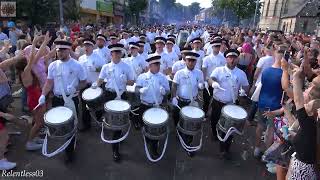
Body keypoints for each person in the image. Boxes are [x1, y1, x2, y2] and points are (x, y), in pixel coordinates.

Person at [38, 40, 87, 163]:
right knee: (60, 125)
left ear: (68, 50)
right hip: (57, 99)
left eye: (63, 50)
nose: (60, 53)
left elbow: (83, 82)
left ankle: (69, 152)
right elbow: (49, 82)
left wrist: (75, 88)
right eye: (58, 50)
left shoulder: (77, 65)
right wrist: (43, 94)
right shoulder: (53, 65)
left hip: (71, 98)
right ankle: (68, 142)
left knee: (70, 124)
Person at [92, 43, 134, 162]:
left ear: (121, 54)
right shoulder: (106, 67)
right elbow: (100, 79)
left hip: (121, 94)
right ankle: (117, 136)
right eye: (114, 52)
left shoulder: (126, 66)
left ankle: (115, 148)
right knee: (111, 118)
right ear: (110, 54)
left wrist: (126, 81)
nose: (116, 54)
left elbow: (132, 81)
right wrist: (96, 84)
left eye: (118, 52)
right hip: (109, 94)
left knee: (118, 121)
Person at [208, 49, 249, 159]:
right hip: (218, 101)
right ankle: (214, 132)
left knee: (228, 127)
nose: (232, 60)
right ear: (226, 59)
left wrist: (244, 92)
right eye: (230, 57)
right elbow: (211, 79)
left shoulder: (241, 73)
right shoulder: (219, 70)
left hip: (231, 104)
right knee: (214, 120)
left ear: (237, 60)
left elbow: (246, 85)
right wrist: (214, 83)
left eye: (234, 58)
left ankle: (224, 148)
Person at [16, 32, 51, 151]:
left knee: (38, 120)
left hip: (36, 95)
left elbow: (35, 57)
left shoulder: (25, 70)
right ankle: (29, 142)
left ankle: (34, 138)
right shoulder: (25, 72)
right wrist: (34, 42)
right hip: (34, 98)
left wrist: (45, 42)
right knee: (39, 123)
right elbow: (32, 58)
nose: (29, 60)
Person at [135, 55, 170, 157]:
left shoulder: (162, 77)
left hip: (157, 107)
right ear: (150, 66)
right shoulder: (142, 77)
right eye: (156, 64)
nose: (158, 66)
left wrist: (164, 92)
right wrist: (140, 90)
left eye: (158, 64)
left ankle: (154, 148)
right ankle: (147, 139)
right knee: (144, 125)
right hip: (144, 105)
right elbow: (136, 89)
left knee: (155, 129)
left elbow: (167, 91)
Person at [171, 51, 204, 157]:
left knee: (190, 124)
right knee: (176, 117)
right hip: (180, 101)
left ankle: (188, 144)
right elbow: (174, 86)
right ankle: (178, 131)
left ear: (195, 62)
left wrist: (201, 86)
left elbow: (201, 86)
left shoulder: (199, 73)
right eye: (189, 60)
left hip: (191, 102)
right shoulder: (179, 73)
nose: (191, 62)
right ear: (185, 61)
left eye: (193, 61)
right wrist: (173, 97)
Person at [78, 38, 106, 131]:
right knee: (84, 106)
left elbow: (103, 70)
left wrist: (95, 69)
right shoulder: (81, 58)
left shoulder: (98, 57)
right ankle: (86, 124)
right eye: (85, 45)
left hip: (95, 85)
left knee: (97, 105)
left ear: (92, 47)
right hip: (84, 84)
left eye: (88, 46)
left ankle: (100, 121)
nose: (86, 47)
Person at [202, 39, 226, 115]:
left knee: (217, 100)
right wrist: (204, 81)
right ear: (212, 47)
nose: (217, 48)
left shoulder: (223, 58)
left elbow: (224, 70)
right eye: (215, 46)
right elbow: (204, 70)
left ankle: (213, 113)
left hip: (219, 82)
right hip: (209, 81)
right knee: (207, 99)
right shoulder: (207, 58)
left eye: (218, 46)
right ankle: (205, 112)